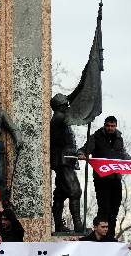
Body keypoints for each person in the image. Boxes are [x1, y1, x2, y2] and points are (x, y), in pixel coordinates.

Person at [78, 116, 131, 238]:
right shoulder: (96, 137)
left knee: (114, 210)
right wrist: (81, 154)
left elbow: (123, 155)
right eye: (108, 125)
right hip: (101, 179)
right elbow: (84, 149)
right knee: (104, 209)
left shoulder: (119, 138)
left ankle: (110, 237)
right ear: (104, 125)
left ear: (116, 126)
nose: (110, 128)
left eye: (112, 126)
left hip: (116, 178)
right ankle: (99, 236)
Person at [49, 94, 83, 232]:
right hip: (62, 161)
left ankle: (59, 224)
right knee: (75, 191)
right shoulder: (59, 117)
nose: (67, 106)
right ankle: (78, 225)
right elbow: (77, 116)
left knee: (61, 193)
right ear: (59, 106)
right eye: (64, 104)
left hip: (66, 160)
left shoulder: (61, 117)